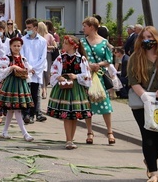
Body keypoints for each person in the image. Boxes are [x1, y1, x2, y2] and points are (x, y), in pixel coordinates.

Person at [128, 26, 158, 182]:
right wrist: (145, 96)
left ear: (157, 39)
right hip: (142, 102)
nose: (147, 40)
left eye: (150, 36)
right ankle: (154, 173)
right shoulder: (136, 57)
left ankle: (149, 160)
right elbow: (133, 81)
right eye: (143, 37)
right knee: (148, 135)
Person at [47, 35, 93, 149]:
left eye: (66, 43)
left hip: (76, 88)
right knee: (67, 115)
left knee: (74, 115)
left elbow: (87, 75)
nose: (63, 45)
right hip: (64, 88)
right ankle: (68, 140)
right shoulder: (60, 57)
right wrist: (58, 77)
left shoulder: (81, 59)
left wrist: (76, 76)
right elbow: (53, 70)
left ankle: (70, 139)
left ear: (73, 46)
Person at [80, 16, 115, 145]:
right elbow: (80, 58)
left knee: (105, 104)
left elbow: (109, 60)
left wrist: (98, 64)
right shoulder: (82, 42)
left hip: (99, 76)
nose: (83, 28)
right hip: (87, 76)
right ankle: (89, 131)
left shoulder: (104, 42)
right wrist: (88, 65)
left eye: (85, 26)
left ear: (92, 27)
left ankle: (110, 131)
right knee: (87, 105)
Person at [0, 37, 34, 142]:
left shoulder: (22, 58)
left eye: (18, 46)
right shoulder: (6, 58)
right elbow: (1, 70)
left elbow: (28, 68)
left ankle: (5, 131)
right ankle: (25, 133)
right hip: (10, 84)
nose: (16, 48)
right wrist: (12, 67)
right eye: (14, 46)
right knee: (15, 109)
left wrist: (30, 70)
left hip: (20, 84)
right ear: (10, 46)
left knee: (13, 109)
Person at [21, 18, 48, 124]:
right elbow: (22, 55)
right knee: (25, 93)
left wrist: (35, 69)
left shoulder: (42, 41)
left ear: (35, 28)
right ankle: (25, 113)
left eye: (29, 28)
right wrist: (27, 67)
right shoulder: (23, 40)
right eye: (26, 27)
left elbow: (43, 57)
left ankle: (32, 114)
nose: (27, 30)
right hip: (26, 70)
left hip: (36, 71)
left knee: (34, 93)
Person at [38, 21, 57, 99]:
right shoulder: (36, 36)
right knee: (41, 72)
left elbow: (55, 46)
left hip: (47, 55)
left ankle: (45, 86)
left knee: (47, 73)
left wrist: (48, 47)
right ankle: (44, 90)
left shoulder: (49, 36)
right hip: (39, 55)